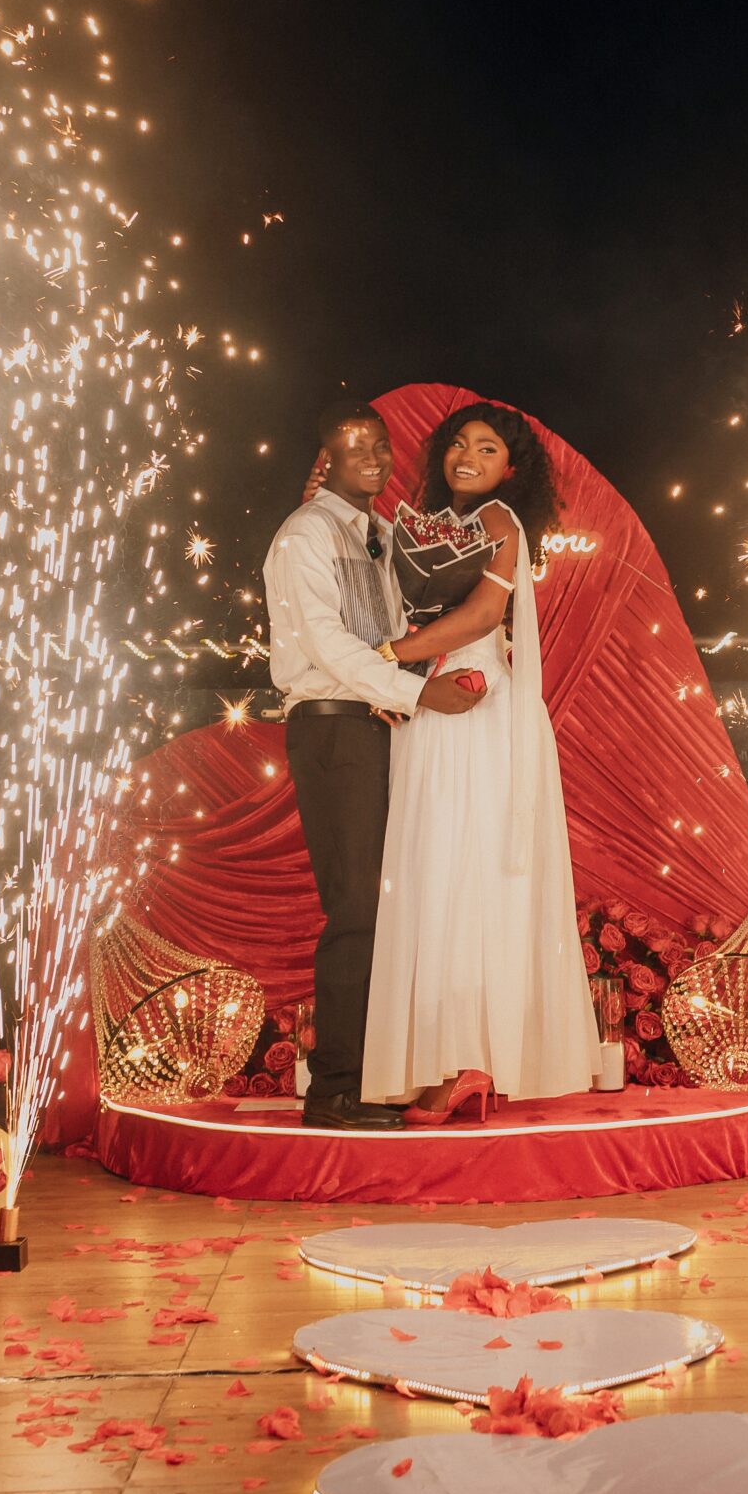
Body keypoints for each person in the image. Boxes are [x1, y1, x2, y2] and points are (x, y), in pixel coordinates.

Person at [358, 401, 601, 1120]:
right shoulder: (443, 524)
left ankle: (468, 1057)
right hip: (435, 700)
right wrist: (401, 676)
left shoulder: (497, 521)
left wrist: (384, 658)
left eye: (487, 448)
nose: (467, 456)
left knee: (461, 871)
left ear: (511, 468)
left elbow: (482, 617)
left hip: (473, 706)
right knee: (437, 871)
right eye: (459, 443)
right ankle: (448, 1054)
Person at [262, 404, 487, 1130]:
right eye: (353, 446)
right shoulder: (304, 535)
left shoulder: (384, 535)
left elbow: (393, 633)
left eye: (381, 445)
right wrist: (417, 694)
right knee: (357, 906)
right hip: (333, 726)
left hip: (382, 724)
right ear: (325, 458)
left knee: (392, 906)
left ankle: (386, 1075)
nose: (372, 457)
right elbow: (327, 644)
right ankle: (336, 1089)